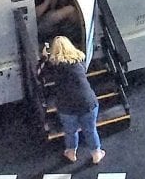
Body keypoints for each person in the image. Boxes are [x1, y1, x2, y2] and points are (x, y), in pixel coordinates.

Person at [41, 35, 105, 164]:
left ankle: (71, 153)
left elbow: (43, 73)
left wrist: (44, 56)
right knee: (90, 129)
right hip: (87, 101)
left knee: (70, 131)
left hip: (66, 105)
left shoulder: (54, 66)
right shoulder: (79, 61)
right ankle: (96, 154)